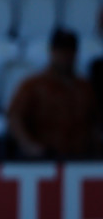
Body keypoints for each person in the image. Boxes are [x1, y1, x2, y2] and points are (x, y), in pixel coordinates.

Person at [7, 28, 100, 159]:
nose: (65, 57)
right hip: (46, 159)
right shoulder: (33, 86)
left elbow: (95, 124)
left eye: (70, 51)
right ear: (52, 52)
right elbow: (15, 118)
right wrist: (30, 147)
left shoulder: (84, 88)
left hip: (79, 158)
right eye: (61, 51)